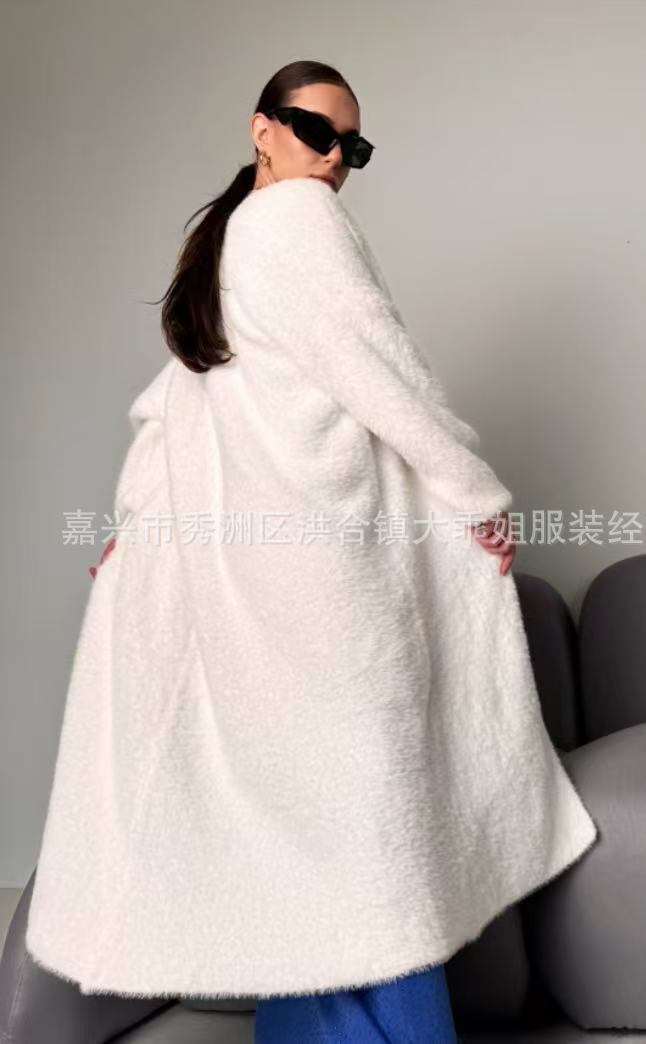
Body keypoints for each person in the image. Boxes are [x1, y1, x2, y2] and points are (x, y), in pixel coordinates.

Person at [26, 60, 598, 1043]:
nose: (334, 158)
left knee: (303, 845)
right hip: (329, 582)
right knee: (367, 841)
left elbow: (167, 412)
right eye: (315, 130)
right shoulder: (296, 223)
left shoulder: (227, 244)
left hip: (248, 588)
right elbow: (384, 372)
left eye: (353, 146)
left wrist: (133, 532)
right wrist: (478, 496)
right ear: (262, 128)